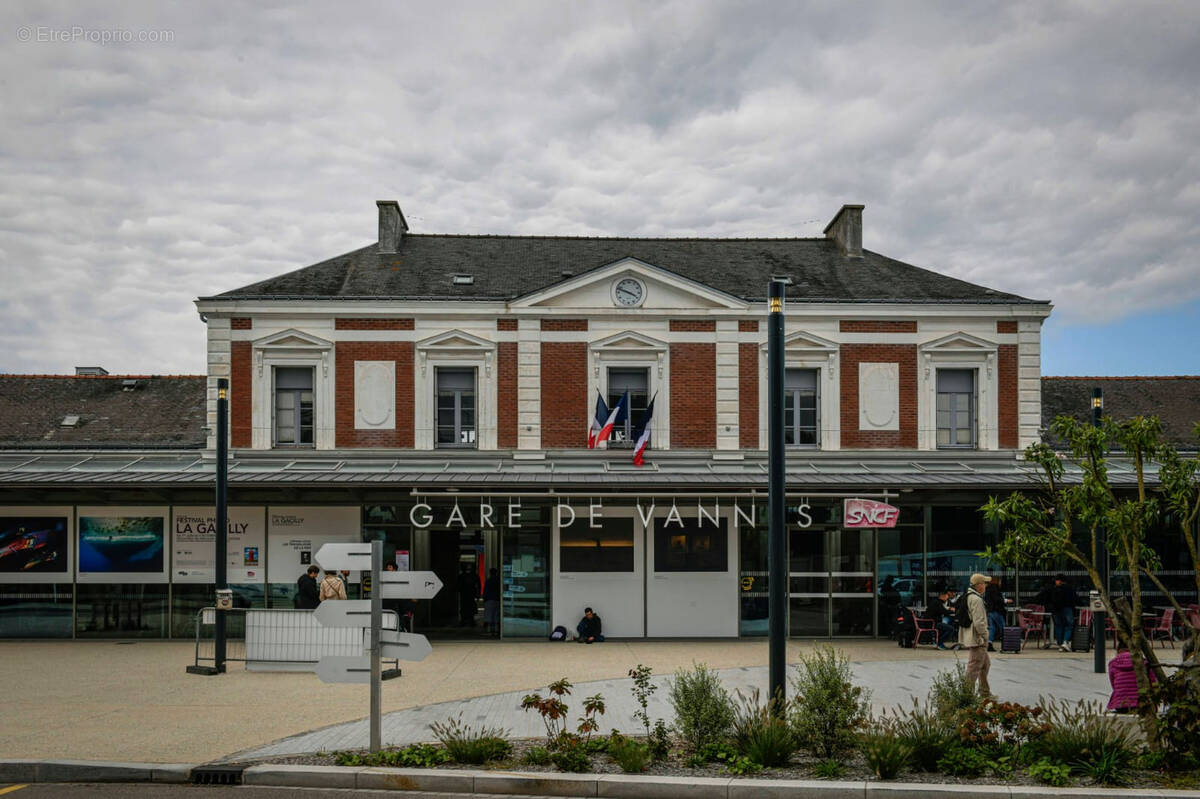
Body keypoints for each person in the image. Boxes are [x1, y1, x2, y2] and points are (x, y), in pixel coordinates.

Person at [960, 573, 991, 697]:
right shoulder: (977, 599)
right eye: (984, 583)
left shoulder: (969, 596)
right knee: (974, 667)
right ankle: (967, 695)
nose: (985, 586)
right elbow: (979, 622)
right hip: (978, 638)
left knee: (985, 664)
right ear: (978, 585)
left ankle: (985, 692)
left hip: (975, 636)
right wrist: (985, 635)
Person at [1107, 642, 1155, 712]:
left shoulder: (1113, 663)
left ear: (1118, 649)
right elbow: (1153, 682)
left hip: (1120, 705)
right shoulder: (1144, 662)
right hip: (1141, 704)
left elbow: (1114, 685)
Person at [1047, 574, 1078, 652]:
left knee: (1058, 626)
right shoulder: (1069, 588)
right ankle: (1065, 642)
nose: (1055, 582)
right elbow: (1075, 599)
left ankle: (1060, 644)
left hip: (1056, 610)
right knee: (1069, 625)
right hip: (1067, 608)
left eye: (1056, 580)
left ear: (1060, 581)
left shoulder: (1054, 589)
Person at [984, 577, 1006, 652]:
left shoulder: (987, 590)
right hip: (996, 611)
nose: (1000, 583)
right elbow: (997, 600)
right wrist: (1004, 600)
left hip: (990, 611)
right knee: (1003, 627)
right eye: (999, 581)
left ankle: (989, 644)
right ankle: (1006, 644)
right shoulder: (995, 590)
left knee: (992, 628)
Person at [482, 567, 501, 636]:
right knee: (496, 615)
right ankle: (496, 630)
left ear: (490, 573)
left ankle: (489, 631)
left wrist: (484, 599)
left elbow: (485, 591)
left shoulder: (488, 581)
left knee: (489, 615)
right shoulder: (499, 581)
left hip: (489, 599)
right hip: (497, 599)